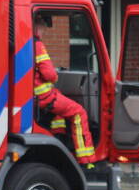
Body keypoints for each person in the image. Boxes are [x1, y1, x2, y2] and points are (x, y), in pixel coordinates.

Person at [33, 13, 103, 169]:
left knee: (60, 111)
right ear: (37, 27)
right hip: (44, 97)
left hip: (37, 97)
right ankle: (86, 159)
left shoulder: (25, 43)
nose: (44, 31)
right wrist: (55, 76)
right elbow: (49, 74)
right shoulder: (37, 45)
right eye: (43, 28)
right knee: (79, 112)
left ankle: (59, 137)